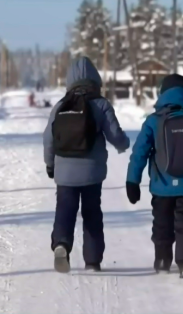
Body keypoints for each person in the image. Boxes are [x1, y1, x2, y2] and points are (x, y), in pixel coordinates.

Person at [43, 56, 130, 273]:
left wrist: (50, 165)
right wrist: (124, 144)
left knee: (65, 210)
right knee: (92, 213)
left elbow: (49, 138)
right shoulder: (101, 104)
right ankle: (92, 261)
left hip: (64, 173)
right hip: (92, 172)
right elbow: (115, 135)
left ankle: (61, 244)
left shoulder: (61, 106)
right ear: (96, 79)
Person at [125, 74, 183, 278]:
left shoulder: (153, 121)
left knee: (162, 222)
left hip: (161, 185)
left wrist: (133, 181)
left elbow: (139, 152)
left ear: (162, 93)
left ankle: (163, 260)